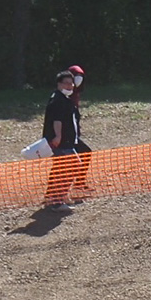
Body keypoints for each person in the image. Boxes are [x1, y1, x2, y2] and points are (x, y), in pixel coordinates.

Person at [41, 65, 91, 208]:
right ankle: (57, 201)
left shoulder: (62, 98)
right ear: (59, 84)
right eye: (66, 83)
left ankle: (56, 197)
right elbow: (57, 120)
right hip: (62, 141)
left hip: (67, 140)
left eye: (71, 83)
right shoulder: (59, 100)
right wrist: (57, 136)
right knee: (70, 166)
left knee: (63, 167)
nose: (70, 86)